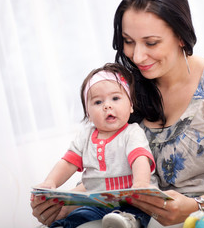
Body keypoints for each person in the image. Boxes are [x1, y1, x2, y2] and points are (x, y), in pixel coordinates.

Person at [31, 0, 204, 227]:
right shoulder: (125, 91)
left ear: (180, 36)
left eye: (151, 42)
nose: (137, 56)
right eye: (128, 42)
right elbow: (113, 176)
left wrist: (194, 206)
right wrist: (65, 204)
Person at [33, 63, 156, 228]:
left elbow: (140, 158)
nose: (107, 105)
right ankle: (63, 225)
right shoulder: (86, 136)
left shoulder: (132, 133)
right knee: (80, 214)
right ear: (88, 114)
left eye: (115, 98)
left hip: (132, 198)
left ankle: (127, 221)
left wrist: (141, 183)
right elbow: (68, 162)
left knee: (140, 210)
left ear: (131, 105)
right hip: (97, 202)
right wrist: (50, 182)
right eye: (98, 102)